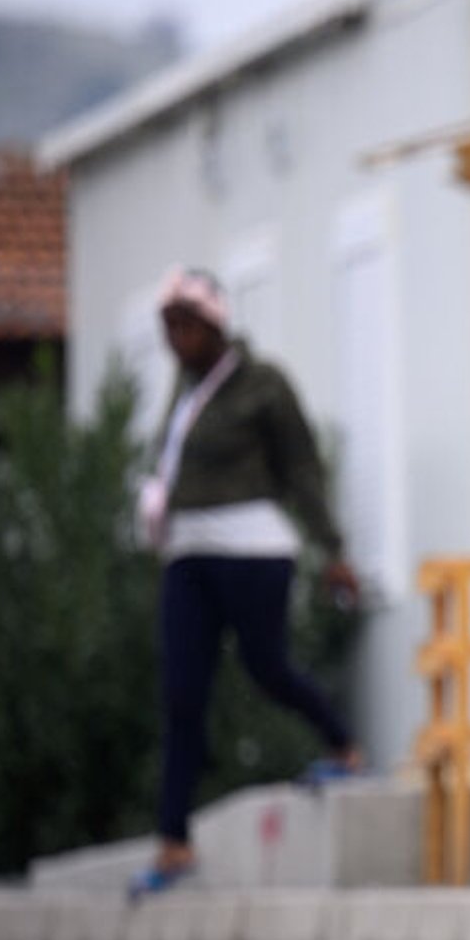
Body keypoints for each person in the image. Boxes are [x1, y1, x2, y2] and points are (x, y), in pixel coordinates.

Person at [132, 266, 362, 898]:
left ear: (214, 324)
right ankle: (173, 840)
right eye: (167, 326)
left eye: (185, 324)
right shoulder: (183, 392)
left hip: (254, 550)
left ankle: (343, 744)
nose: (175, 338)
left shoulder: (262, 383)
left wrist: (333, 550)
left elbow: (302, 468)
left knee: (266, 667)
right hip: (187, 554)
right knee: (182, 694)